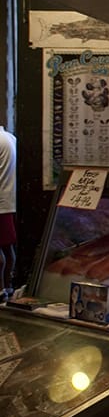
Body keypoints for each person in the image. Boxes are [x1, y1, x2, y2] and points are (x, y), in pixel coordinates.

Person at [0, 126, 13, 298]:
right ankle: (8, 286)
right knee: (7, 247)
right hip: (9, 201)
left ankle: (1, 289)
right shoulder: (9, 138)